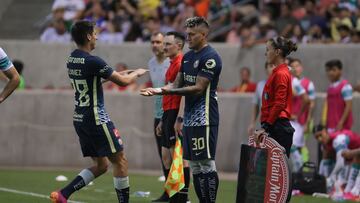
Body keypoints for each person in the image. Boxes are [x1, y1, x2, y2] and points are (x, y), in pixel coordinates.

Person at [50, 20, 147, 203]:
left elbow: (91, 82)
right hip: (96, 118)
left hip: (80, 118)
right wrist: (137, 73)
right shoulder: (93, 61)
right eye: (95, 33)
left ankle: (64, 194)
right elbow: (124, 83)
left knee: (102, 165)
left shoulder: (72, 59)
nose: (97, 36)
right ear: (88, 36)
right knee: (120, 160)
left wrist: (116, 74)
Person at [141, 16, 222, 203]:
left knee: (206, 164)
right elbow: (175, 84)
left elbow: (198, 88)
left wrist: (171, 93)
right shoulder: (188, 57)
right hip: (190, 117)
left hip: (205, 117)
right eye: (187, 34)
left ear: (204, 34)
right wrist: (158, 90)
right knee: (195, 165)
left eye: (192, 34)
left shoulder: (211, 57)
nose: (188, 38)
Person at [150, 31, 190, 203]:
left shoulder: (182, 63)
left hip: (175, 112)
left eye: (167, 44)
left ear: (179, 46)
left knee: (178, 158)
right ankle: (170, 194)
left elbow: (183, 94)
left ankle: (182, 197)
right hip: (167, 112)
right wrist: (162, 118)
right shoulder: (172, 63)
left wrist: (178, 118)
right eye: (163, 44)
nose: (164, 47)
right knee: (166, 156)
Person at [259, 36, 297, 158]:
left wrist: (266, 127)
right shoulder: (278, 72)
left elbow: (280, 103)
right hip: (274, 125)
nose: (266, 53)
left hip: (278, 127)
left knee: (276, 174)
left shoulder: (281, 73)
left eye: (268, 49)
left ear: (277, 52)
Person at [148, 32, 171, 202]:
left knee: (173, 156)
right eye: (153, 42)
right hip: (157, 115)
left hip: (171, 114)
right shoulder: (151, 63)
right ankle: (168, 192)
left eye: (158, 42)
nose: (155, 45)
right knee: (162, 156)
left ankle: (179, 194)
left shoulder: (172, 62)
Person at [313, 125, 360, 200]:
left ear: (325, 131)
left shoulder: (338, 139)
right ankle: (341, 188)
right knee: (328, 157)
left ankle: (352, 190)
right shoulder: (326, 145)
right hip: (353, 158)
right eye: (317, 137)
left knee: (350, 156)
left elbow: (341, 163)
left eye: (320, 135)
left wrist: (333, 176)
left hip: (356, 156)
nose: (320, 139)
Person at [289, 58, 314, 172]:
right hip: (292, 120)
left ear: (301, 67)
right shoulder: (290, 81)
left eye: (298, 66)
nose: (296, 68)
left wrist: (308, 122)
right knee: (295, 146)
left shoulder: (308, 83)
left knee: (299, 147)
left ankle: (303, 173)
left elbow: (311, 104)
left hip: (303, 120)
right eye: (293, 66)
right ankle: (299, 173)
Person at [324, 59, 353, 132]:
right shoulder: (330, 87)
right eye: (328, 70)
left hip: (341, 127)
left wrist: (341, 122)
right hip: (330, 125)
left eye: (334, 70)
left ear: (340, 71)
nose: (330, 73)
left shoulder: (345, 86)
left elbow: (348, 106)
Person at [247, 62, 274, 135]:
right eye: (271, 66)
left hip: (279, 123)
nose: (273, 68)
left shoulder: (282, 84)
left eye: (275, 66)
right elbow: (256, 104)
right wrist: (252, 123)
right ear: (266, 69)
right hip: (264, 123)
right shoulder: (260, 85)